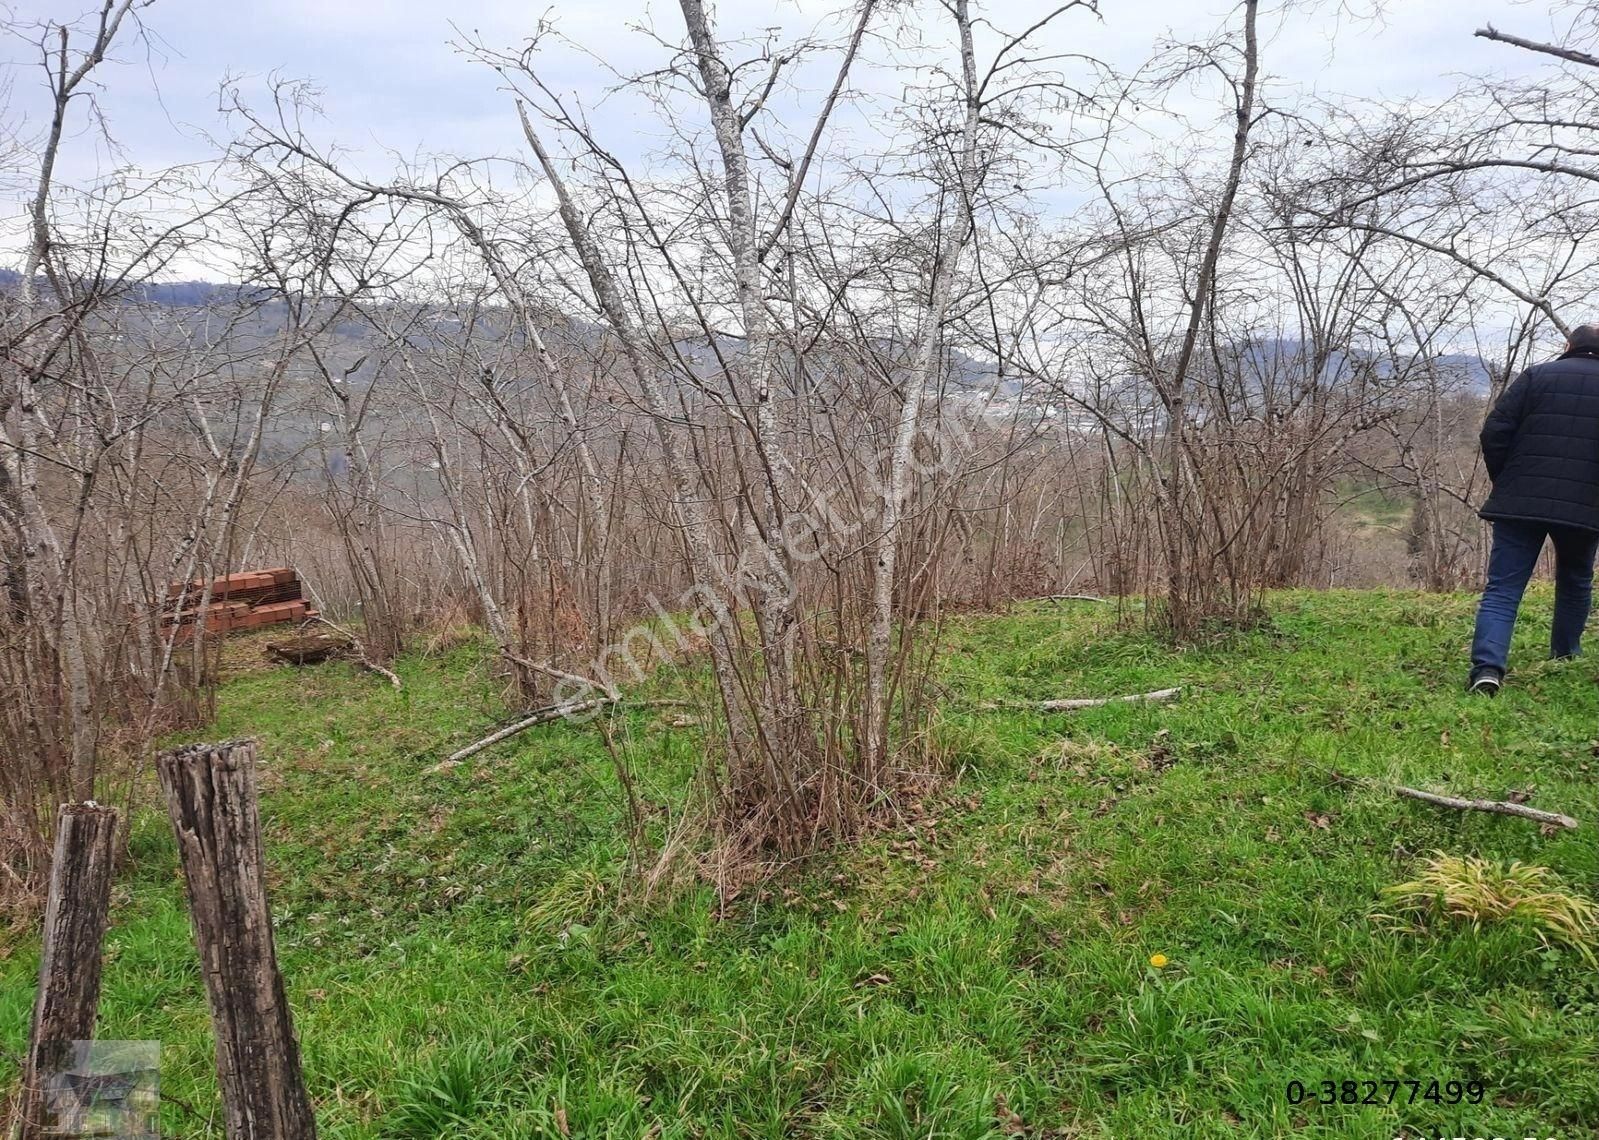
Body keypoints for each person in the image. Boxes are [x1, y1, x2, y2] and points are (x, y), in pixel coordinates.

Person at [1469, 323, 1599, 695]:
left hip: (1520, 500)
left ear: (1569, 345)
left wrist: (1506, 480)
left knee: (1503, 588)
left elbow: (1494, 431)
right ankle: (1566, 656)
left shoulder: (1536, 376)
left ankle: (1487, 671)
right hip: (1586, 505)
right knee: (1575, 580)